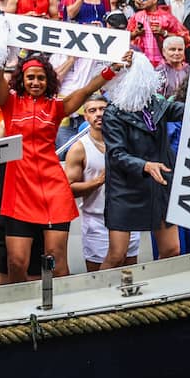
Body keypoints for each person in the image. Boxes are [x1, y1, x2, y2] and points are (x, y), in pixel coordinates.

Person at [0, 53, 126, 279]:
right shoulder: (10, 103)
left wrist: (112, 70)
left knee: (56, 261)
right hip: (19, 192)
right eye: (30, 77)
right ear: (22, 79)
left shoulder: (56, 107)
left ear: (49, 80)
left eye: (41, 78)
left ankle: (64, 311)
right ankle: (23, 310)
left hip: (53, 190)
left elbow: (85, 91)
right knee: (16, 262)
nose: (35, 82)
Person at [100, 86, 185, 268]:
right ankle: (100, 294)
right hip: (125, 188)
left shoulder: (158, 104)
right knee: (117, 255)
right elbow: (116, 154)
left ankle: (160, 292)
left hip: (159, 184)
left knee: (172, 249)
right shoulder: (112, 112)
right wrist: (144, 165)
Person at [63, 95, 138, 271]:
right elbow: (68, 189)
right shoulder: (79, 148)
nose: (98, 114)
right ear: (85, 117)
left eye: (103, 109)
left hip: (128, 216)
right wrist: (98, 181)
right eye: (92, 110)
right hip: (97, 221)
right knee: (98, 276)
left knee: (129, 272)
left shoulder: (128, 141)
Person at [126, 0, 189, 68]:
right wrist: (136, 33)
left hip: (165, 65)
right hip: (140, 64)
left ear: (155, 0)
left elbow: (185, 38)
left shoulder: (167, 17)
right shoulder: (136, 17)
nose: (141, 0)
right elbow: (125, 38)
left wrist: (164, 33)